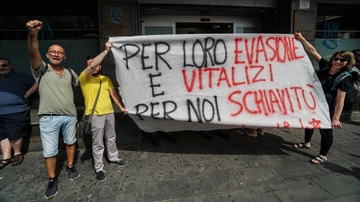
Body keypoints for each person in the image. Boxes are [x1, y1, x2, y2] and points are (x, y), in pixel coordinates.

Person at [26, 20, 80, 199]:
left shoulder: (70, 72)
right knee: (49, 151)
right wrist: (33, 34)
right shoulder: (41, 70)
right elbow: (33, 52)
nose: (56, 54)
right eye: (53, 52)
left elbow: (83, 79)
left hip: (69, 116)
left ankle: (70, 166)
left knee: (71, 142)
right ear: (48, 55)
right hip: (48, 118)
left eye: (60, 53)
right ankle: (52, 179)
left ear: (64, 57)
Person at [293, 33, 355, 165]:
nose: (338, 62)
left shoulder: (344, 77)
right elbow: (313, 51)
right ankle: (306, 142)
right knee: (309, 123)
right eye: (336, 58)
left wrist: (336, 118)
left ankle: (323, 155)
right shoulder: (326, 67)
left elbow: (340, 100)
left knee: (325, 130)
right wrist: (302, 38)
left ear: (347, 62)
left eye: (342, 60)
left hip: (328, 106)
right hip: (314, 102)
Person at [79, 42, 128, 182]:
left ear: (101, 66)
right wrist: (106, 51)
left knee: (111, 137)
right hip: (95, 115)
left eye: (96, 63)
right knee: (97, 142)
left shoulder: (106, 79)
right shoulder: (84, 78)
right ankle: (99, 168)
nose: (94, 66)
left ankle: (113, 158)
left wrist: (120, 107)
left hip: (109, 113)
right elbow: (92, 66)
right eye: (91, 64)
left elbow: (113, 94)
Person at [0, 58, 38, 170]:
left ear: (10, 66)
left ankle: (17, 154)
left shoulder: (21, 77)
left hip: (16, 111)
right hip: (1, 112)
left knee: (14, 133)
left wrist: (27, 93)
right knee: (2, 135)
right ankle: (6, 157)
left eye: (4, 65)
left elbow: (37, 82)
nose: (1, 68)